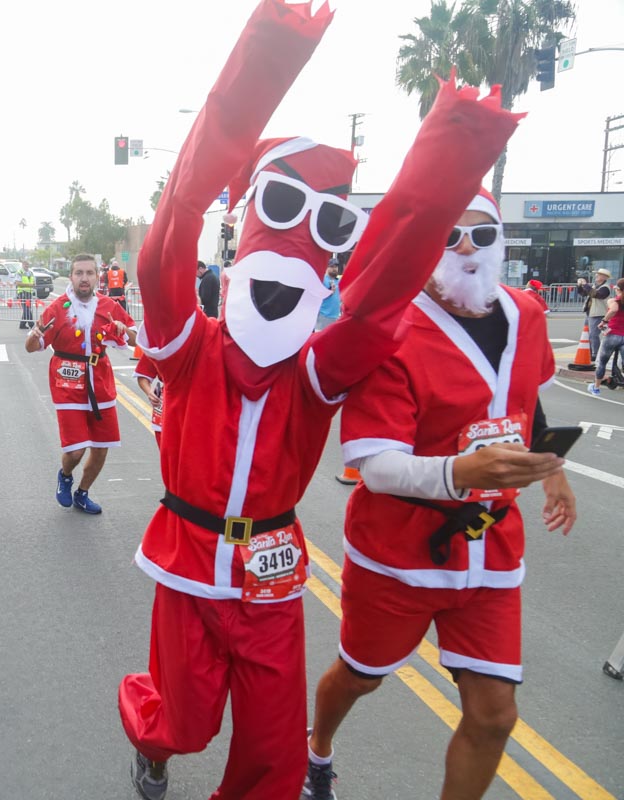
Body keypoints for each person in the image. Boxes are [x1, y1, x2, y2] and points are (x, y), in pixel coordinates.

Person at [115, 3, 522, 797]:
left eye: (325, 226)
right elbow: (169, 238)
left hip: (271, 576)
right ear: (243, 235)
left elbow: (381, 292)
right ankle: (151, 741)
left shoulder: (314, 372)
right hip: (191, 567)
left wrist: (457, 147)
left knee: (274, 757)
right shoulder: (188, 344)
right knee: (186, 724)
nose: (291, 256)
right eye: (280, 209)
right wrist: (265, 58)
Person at [302, 191, 576, 800]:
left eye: (481, 236)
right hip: (399, 549)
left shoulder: (527, 312)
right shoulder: (391, 331)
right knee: (359, 677)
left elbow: (523, 393)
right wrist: (460, 471)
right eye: (450, 236)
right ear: (426, 247)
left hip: (492, 547)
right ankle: (316, 748)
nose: (466, 251)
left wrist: (553, 464)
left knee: (494, 712)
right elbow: (375, 466)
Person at [25, 253, 137, 514]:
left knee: (100, 448)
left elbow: (134, 339)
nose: (84, 278)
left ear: (97, 276)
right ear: (72, 277)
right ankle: (65, 475)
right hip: (67, 383)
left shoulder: (109, 305)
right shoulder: (58, 308)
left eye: (89, 273)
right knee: (76, 451)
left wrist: (123, 328)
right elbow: (32, 347)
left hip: (100, 381)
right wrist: (34, 335)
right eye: (79, 273)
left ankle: (82, 493)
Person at [589, 278, 624, 396]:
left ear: (617, 289)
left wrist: (604, 321)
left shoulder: (614, 300)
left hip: (613, 334)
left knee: (603, 362)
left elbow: (614, 310)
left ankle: (596, 387)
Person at [577, 268, 613, 361]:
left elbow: (596, 295)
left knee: (593, 334)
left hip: (598, 313)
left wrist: (585, 285)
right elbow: (583, 294)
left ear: (604, 277)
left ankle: (595, 353)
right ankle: (589, 351)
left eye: (599, 274)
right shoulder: (595, 285)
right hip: (591, 312)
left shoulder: (605, 287)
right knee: (588, 333)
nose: (596, 276)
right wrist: (580, 286)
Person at [134, 354, 164, 448]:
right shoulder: (160, 341)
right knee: (171, 459)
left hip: (201, 406)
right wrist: (149, 392)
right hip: (166, 409)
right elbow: (143, 375)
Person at [316, 259, 341, 329]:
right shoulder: (322, 279)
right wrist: (329, 291)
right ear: (327, 267)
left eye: (336, 267)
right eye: (332, 266)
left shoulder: (338, 281)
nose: (334, 269)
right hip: (323, 316)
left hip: (335, 317)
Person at [16, 265, 36, 330]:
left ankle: (22, 324)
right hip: (22, 292)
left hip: (29, 292)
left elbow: (33, 281)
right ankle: (32, 324)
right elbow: (18, 283)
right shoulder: (20, 272)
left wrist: (33, 284)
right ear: (22, 265)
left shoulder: (30, 272)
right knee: (26, 309)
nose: (26, 266)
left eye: (27, 265)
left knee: (26, 309)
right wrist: (29, 285)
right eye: (25, 264)